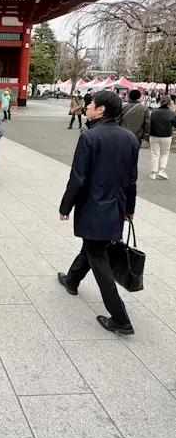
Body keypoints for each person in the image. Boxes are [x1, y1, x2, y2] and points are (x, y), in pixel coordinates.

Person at [58, 90, 138, 335]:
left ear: (101, 109)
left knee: (98, 257)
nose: (88, 107)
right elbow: (132, 180)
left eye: (91, 104)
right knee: (93, 247)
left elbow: (78, 178)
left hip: (94, 206)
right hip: (115, 206)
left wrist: (65, 206)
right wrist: (129, 209)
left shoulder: (90, 137)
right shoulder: (130, 139)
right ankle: (72, 280)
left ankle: (120, 317)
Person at [149, 94, 176, 180]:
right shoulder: (171, 113)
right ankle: (162, 170)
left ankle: (153, 173)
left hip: (154, 135)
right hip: (166, 136)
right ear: (169, 103)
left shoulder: (154, 112)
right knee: (164, 153)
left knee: (154, 154)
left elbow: (150, 124)